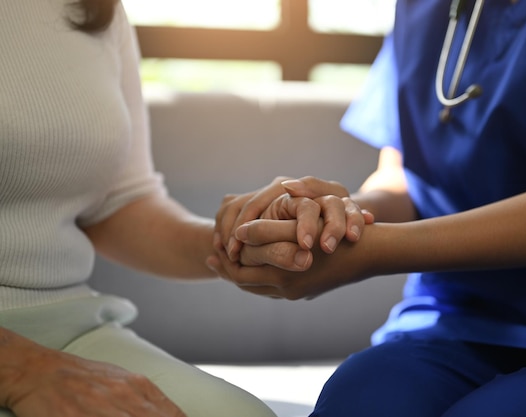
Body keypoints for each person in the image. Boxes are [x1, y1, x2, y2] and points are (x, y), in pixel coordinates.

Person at [209, 0, 526, 416]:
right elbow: (406, 179)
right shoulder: (422, 8)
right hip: (453, 321)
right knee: (359, 401)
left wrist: (373, 251)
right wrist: (332, 217)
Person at [0, 1, 367, 416]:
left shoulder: (96, 9)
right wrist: (19, 368)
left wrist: (244, 235)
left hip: (72, 325)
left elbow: (119, 206)